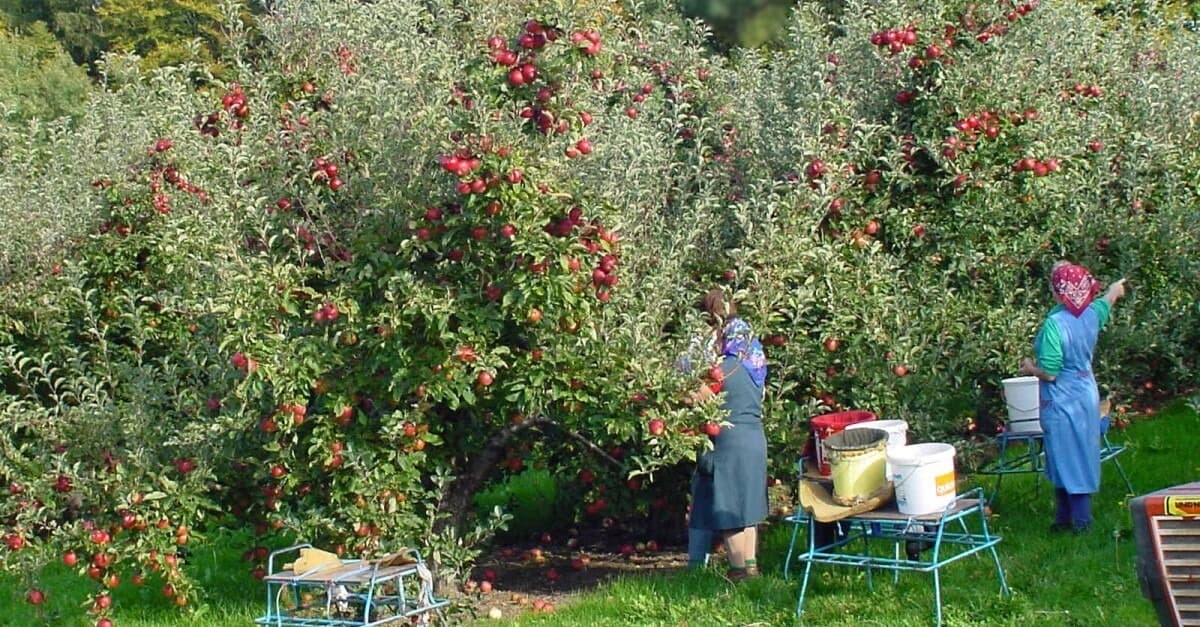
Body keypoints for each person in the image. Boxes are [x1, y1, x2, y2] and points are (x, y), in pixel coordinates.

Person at [1019, 261, 1127, 533]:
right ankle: (1063, 519)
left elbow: (1051, 372)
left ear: (1057, 293)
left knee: (1065, 456)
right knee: (1077, 453)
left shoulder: (1055, 324)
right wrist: (1116, 289)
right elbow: (1108, 301)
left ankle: (1079, 521)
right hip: (1085, 393)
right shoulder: (1092, 313)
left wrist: (1029, 368)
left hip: (1061, 398)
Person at [687, 289, 769, 579]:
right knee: (747, 506)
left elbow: (700, 396)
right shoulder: (754, 360)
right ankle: (751, 568)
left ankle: (738, 575)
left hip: (729, 442)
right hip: (755, 439)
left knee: (731, 510)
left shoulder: (723, 369)